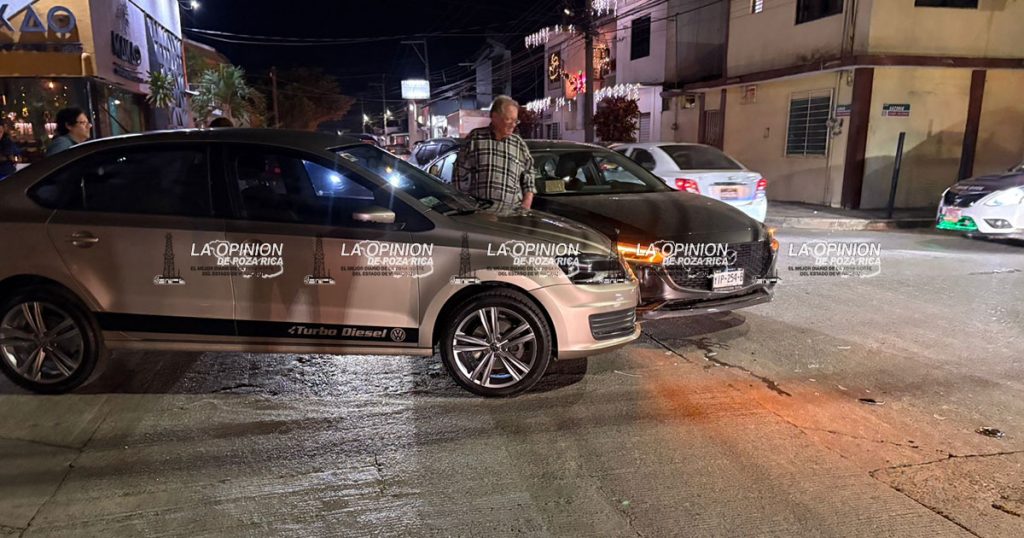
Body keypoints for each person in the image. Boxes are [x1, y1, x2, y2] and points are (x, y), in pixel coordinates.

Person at [453, 95, 536, 210]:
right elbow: (460, 175)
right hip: (481, 215)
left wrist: (526, 203)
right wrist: (467, 206)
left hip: (511, 216)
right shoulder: (475, 139)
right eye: (508, 119)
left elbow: (529, 173)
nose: (513, 125)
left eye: (515, 120)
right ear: (495, 117)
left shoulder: (518, 144)